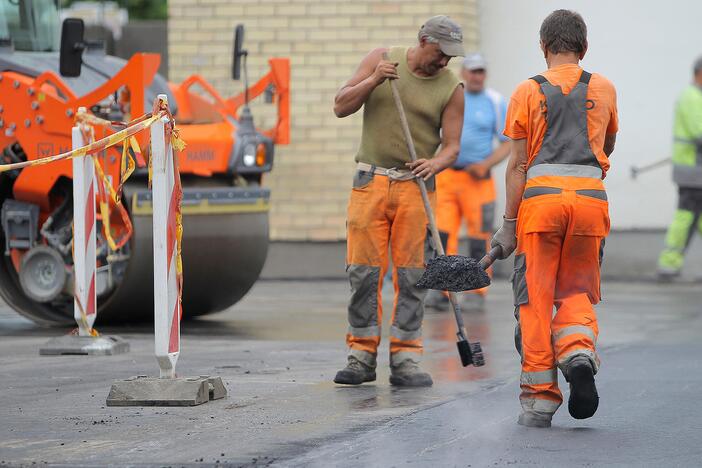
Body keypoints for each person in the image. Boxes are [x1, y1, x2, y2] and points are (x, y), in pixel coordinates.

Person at [491, 10, 618, 427]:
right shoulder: (604, 88)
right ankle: (578, 354)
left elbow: (517, 167)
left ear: (543, 46)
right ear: (584, 48)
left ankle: (541, 399)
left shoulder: (526, 91)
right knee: (577, 290)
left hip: (541, 207)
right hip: (589, 205)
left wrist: (508, 225)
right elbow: (608, 144)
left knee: (535, 298)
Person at [332, 16, 465, 387]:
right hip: (370, 181)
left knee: (412, 275)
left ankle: (406, 356)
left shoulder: (452, 88)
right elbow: (341, 106)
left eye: (451, 56)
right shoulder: (381, 59)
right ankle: (361, 354)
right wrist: (373, 79)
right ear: (423, 40)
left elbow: (452, 145)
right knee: (363, 272)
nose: (445, 62)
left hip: (416, 187)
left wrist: (435, 162)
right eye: (441, 53)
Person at [425, 52, 511, 312]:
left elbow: (508, 143)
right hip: (448, 176)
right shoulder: (452, 97)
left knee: (478, 237)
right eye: (473, 71)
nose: (477, 76)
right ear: (463, 73)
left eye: (481, 71)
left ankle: (475, 292)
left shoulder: (495, 102)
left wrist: (485, 165)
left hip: (479, 181)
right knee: (442, 236)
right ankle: (442, 292)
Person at [657, 57, 702, 279]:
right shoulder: (692, 98)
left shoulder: (695, 96)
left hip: (694, 172)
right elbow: (699, 132)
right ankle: (668, 264)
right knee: (685, 218)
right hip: (692, 174)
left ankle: (670, 263)